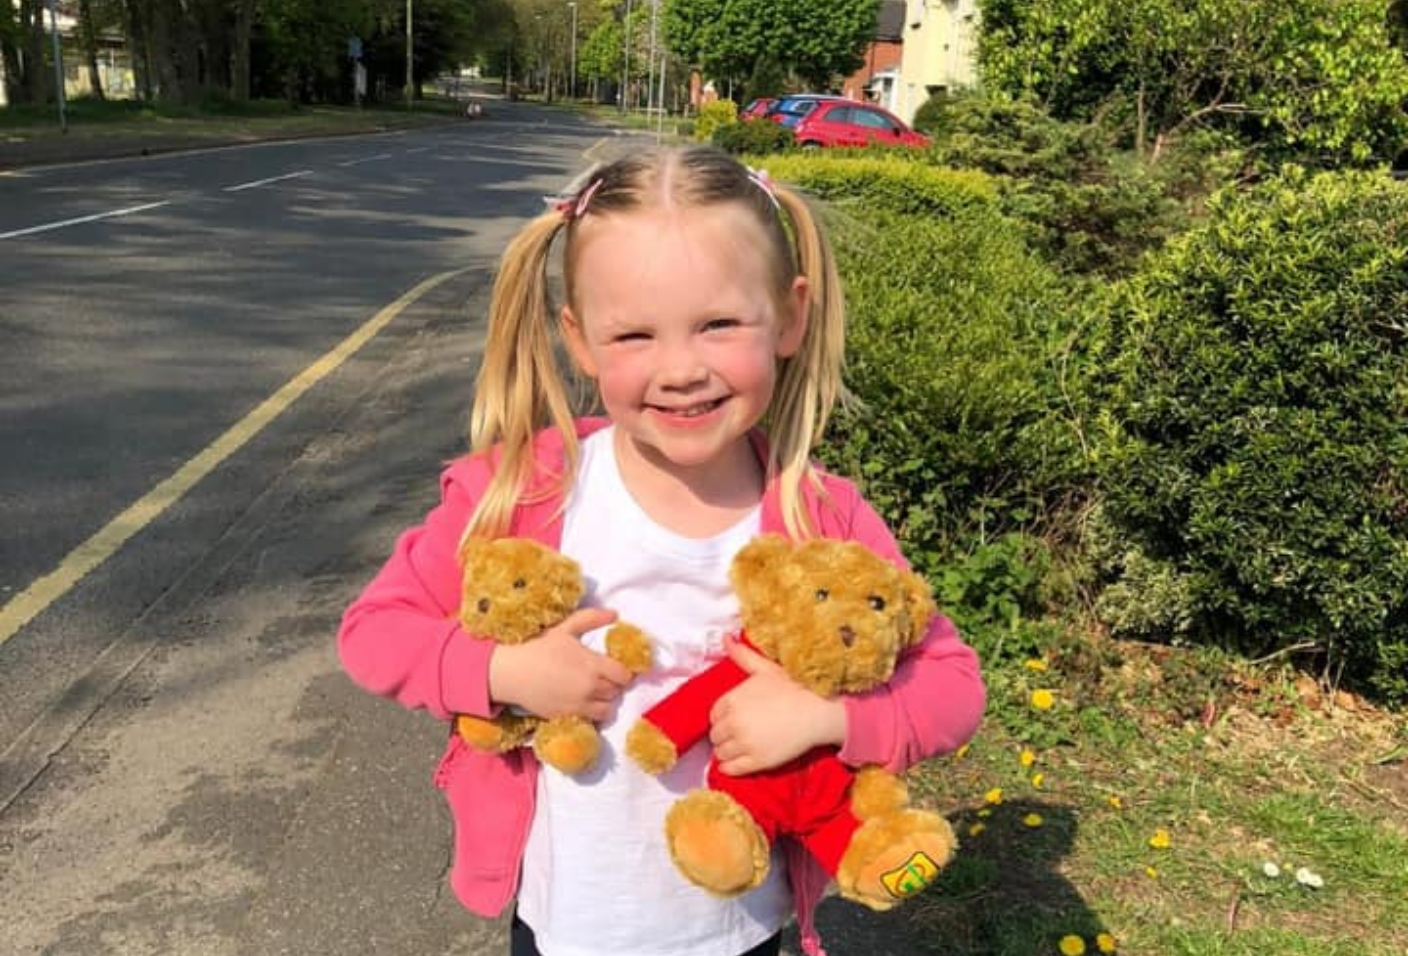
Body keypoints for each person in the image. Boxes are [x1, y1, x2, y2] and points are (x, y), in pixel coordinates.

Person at [337, 144, 986, 956]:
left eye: (718, 324)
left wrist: (830, 717)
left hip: (738, 928)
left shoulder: (820, 519)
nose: (680, 370)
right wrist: (505, 674)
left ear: (789, 316)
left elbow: (955, 687)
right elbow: (373, 631)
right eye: (634, 335)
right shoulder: (529, 493)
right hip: (566, 924)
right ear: (579, 341)